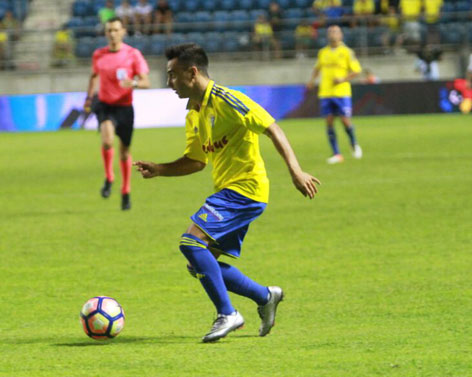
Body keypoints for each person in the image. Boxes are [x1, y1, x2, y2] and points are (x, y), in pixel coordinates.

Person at [134, 44, 320, 343]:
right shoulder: (195, 114)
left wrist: (296, 171)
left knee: (191, 242)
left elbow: (272, 128)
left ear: (192, 72)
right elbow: (196, 161)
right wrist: (160, 168)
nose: (168, 83)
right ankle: (265, 296)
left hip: (245, 189)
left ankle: (228, 314)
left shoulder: (228, 100)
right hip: (230, 191)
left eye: (172, 75)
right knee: (198, 262)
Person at [84, 17, 150, 210]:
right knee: (107, 140)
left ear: (123, 32)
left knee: (124, 153)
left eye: (115, 30)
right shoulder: (99, 55)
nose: (112, 34)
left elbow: (146, 82)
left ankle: (125, 190)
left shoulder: (133, 54)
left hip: (125, 107)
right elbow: (93, 76)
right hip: (105, 105)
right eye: (109, 30)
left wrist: (134, 83)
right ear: (106, 33)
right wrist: (89, 98)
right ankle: (109, 176)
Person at [307, 25, 362, 164]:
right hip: (325, 92)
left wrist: (342, 79)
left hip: (341, 92)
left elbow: (356, 70)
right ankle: (337, 153)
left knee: (345, 120)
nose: (332, 34)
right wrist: (311, 81)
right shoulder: (322, 52)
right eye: (330, 32)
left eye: (335, 32)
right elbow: (317, 68)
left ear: (341, 35)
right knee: (329, 122)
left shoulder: (347, 52)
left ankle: (354, 143)